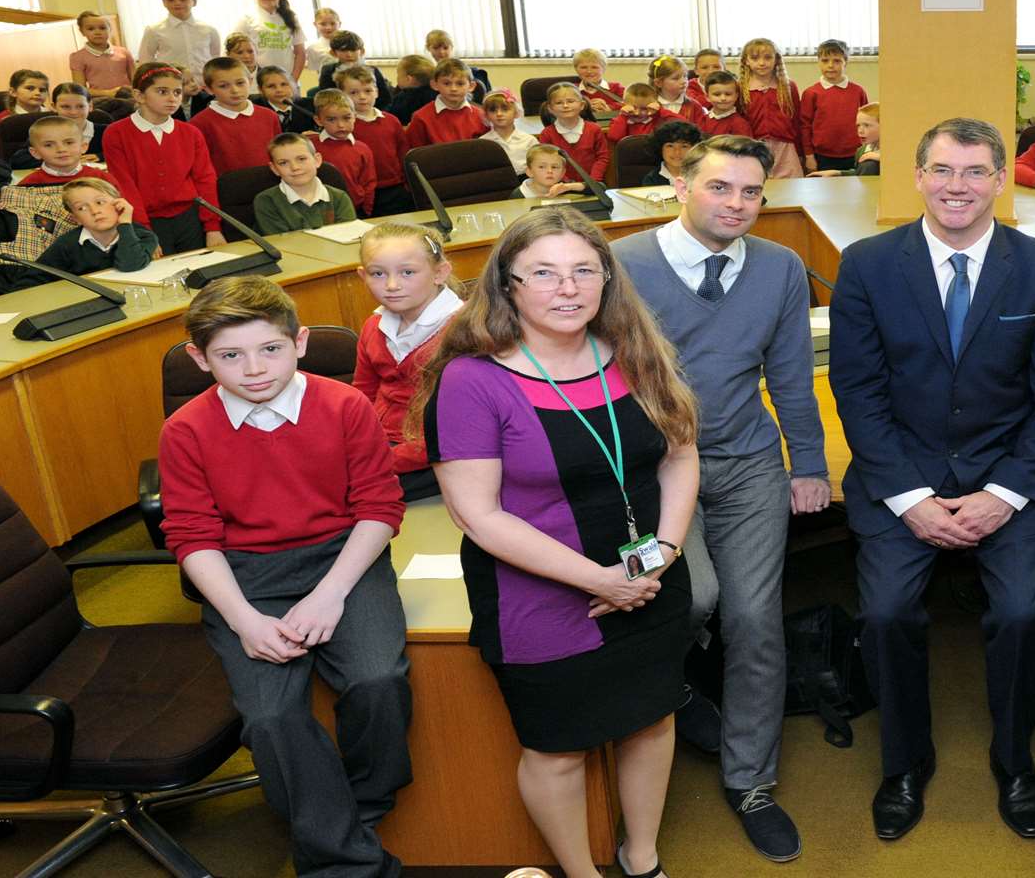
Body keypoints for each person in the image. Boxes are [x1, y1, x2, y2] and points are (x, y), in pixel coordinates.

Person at [421, 206, 699, 878]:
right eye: (542, 273)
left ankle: (642, 858)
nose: (567, 288)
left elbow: (681, 456)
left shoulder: (635, 351)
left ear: (606, 279)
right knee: (558, 748)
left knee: (652, 721)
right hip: (539, 595)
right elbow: (478, 516)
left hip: (650, 577)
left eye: (583, 271)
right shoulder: (471, 379)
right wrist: (598, 580)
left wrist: (662, 550)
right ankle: (581, 874)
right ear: (507, 285)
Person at [829, 117, 1035, 842]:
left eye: (975, 172)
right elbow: (858, 392)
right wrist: (909, 500)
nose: (957, 187)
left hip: (1010, 477)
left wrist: (1002, 496)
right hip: (899, 476)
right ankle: (905, 765)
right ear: (916, 176)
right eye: (942, 170)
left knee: (1022, 615)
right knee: (883, 615)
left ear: (1001, 180)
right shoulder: (868, 265)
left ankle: (1014, 761)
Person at [617, 134, 829, 862]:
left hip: (745, 465)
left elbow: (793, 378)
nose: (736, 204)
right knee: (694, 598)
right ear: (679, 187)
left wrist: (808, 465)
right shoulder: (622, 267)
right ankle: (673, 692)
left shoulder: (779, 268)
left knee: (754, 620)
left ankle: (751, 779)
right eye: (719, 188)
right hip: (649, 472)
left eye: (750, 192)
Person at [160, 275, 411, 878]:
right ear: (199, 359)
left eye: (269, 349)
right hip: (244, 575)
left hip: (342, 559)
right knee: (271, 718)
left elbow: (380, 508)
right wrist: (244, 620)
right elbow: (192, 537)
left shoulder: (345, 404)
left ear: (299, 342)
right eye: (229, 356)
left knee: (378, 680)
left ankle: (358, 809)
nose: (253, 369)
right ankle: (343, 860)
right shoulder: (186, 430)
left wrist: (330, 596)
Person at [353, 222, 462, 500]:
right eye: (378, 274)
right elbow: (363, 394)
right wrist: (354, 445)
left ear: (440, 273)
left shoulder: (462, 333)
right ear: (362, 275)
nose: (391, 285)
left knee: (357, 495)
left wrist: (380, 461)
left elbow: (456, 428)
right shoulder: (373, 325)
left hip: (438, 452)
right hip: (381, 444)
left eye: (407, 272)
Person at [101, 62, 226, 252]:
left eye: (177, 92)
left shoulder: (191, 132)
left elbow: (205, 179)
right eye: (162, 92)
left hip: (189, 218)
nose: (172, 98)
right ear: (139, 96)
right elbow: (124, 185)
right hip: (147, 220)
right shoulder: (116, 133)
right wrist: (143, 231)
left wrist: (212, 227)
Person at [27, 177, 158, 281]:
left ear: (119, 204)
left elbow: (130, 265)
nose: (94, 211)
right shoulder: (67, 245)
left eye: (100, 202)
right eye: (81, 208)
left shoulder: (142, 235)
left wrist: (125, 224)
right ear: (75, 218)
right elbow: (32, 279)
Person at [337, 64, 413, 217]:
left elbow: (403, 152)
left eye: (368, 91)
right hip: (364, 192)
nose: (362, 97)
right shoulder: (342, 127)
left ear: (377, 92)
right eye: (354, 92)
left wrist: (406, 184)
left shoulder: (391, 121)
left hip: (395, 188)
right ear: (342, 95)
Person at [194, 55, 283, 174]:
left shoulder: (269, 116)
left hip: (270, 184)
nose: (235, 90)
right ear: (209, 89)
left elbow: (279, 153)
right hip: (226, 188)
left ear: (250, 81)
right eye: (223, 86)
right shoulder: (199, 124)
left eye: (240, 83)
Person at [255, 132, 356, 234]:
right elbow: (281, 244)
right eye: (283, 163)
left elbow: (348, 236)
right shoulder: (267, 201)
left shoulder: (339, 198)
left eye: (301, 159)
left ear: (317, 160)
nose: (295, 167)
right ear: (274, 169)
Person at [799, 38, 870, 173]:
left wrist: (868, 149)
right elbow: (805, 126)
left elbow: (867, 123)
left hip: (854, 154)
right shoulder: (811, 93)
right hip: (822, 157)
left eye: (837, 61)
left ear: (845, 63)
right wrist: (809, 156)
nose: (830, 65)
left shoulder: (858, 91)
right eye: (825, 61)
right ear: (818, 62)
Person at [136, 0, 221, 92]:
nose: (177, 3)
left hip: (204, 88)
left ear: (194, 1)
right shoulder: (154, 30)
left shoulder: (209, 30)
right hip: (171, 89)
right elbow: (146, 61)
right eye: (170, 0)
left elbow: (215, 59)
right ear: (164, 3)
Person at [739, 38, 805, 179]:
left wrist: (801, 153)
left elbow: (797, 121)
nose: (762, 63)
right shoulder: (741, 88)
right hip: (754, 148)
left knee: (792, 189)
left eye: (768, 57)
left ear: (776, 60)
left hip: (785, 150)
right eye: (755, 58)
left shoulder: (788, 87)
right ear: (746, 61)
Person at [230, 0, 306, 93]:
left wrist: (292, 80)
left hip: (287, 82)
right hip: (257, 85)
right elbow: (232, 52)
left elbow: (300, 53)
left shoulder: (291, 18)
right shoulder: (247, 18)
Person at [311, 88, 378, 216]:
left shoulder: (362, 149)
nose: (341, 125)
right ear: (318, 120)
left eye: (346, 118)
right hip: (319, 210)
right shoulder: (310, 146)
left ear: (354, 117)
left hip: (356, 208)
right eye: (331, 120)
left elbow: (369, 183)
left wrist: (366, 210)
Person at [538, 83, 613, 183]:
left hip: (593, 186)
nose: (565, 106)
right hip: (561, 186)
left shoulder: (594, 129)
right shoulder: (547, 134)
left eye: (570, 101)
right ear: (550, 109)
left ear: (582, 105)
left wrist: (593, 181)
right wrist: (567, 183)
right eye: (559, 103)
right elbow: (548, 163)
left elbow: (602, 157)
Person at [406, 58, 486, 148]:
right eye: (446, 83)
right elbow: (414, 154)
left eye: (460, 84)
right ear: (434, 85)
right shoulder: (421, 118)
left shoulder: (481, 116)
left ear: (471, 86)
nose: (453, 89)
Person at [317, 31, 394, 105]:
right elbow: (326, 99)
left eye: (353, 50)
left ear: (362, 51)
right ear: (333, 53)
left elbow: (385, 100)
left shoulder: (373, 70)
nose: (349, 54)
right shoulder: (328, 70)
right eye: (343, 50)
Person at [69, 10, 134, 94]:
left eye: (102, 28)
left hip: (129, 97)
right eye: (91, 29)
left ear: (110, 29)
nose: (97, 32)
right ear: (82, 31)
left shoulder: (123, 52)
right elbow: (80, 89)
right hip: (101, 100)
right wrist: (108, 93)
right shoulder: (77, 57)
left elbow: (135, 80)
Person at [608, 84, 683, 150]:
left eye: (644, 109)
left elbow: (683, 122)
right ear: (624, 105)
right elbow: (614, 137)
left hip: (654, 160)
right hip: (629, 161)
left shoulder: (657, 119)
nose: (637, 113)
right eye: (633, 107)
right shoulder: (621, 120)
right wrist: (623, 117)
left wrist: (660, 110)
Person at [425, 29, 491, 102]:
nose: (441, 52)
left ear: (451, 47)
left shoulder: (476, 74)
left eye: (445, 48)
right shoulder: (429, 76)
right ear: (428, 48)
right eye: (436, 48)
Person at [49, 83, 108, 162]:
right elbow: (28, 159)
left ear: (90, 106)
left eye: (80, 106)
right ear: (54, 107)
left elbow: (122, 152)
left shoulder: (106, 131)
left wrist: (101, 156)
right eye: (65, 107)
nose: (73, 112)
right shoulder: (43, 132)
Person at [483, 90, 535, 176]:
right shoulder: (483, 142)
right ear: (486, 115)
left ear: (516, 112)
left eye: (505, 109)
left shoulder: (529, 140)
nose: (499, 114)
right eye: (493, 110)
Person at [691, 70, 753, 138]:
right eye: (717, 94)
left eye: (728, 94)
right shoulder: (702, 120)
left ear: (736, 96)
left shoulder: (740, 124)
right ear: (707, 97)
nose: (723, 98)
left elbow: (746, 147)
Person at [257, 65, 317, 134]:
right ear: (260, 90)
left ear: (293, 85)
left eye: (284, 84)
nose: (279, 90)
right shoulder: (256, 110)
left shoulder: (311, 105)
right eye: (271, 86)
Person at [514, 143, 586, 200]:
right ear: (529, 172)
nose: (549, 171)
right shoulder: (519, 194)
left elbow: (596, 188)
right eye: (542, 167)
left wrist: (570, 187)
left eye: (554, 167)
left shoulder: (565, 188)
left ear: (563, 173)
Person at [643, 119, 703, 187]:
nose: (677, 152)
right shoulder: (652, 180)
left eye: (684, 146)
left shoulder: (703, 175)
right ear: (660, 148)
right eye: (670, 146)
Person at [573, 48, 625, 119]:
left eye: (594, 67)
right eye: (583, 67)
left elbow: (632, 104)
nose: (589, 71)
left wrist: (609, 107)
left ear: (603, 68)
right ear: (576, 69)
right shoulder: (571, 90)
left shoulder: (617, 88)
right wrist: (586, 107)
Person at [0, 69, 48, 134]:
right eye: (30, 88)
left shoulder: (53, 115)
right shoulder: (4, 120)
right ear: (13, 92)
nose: (38, 93)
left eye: (42, 90)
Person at [386, 55, 436, 124]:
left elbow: (390, 117)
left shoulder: (403, 98)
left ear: (409, 79)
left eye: (398, 74)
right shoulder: (436, 94)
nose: (397, 78)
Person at [305, 7, 341, 80]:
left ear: (339, 24)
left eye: (333, 23)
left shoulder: (349, 42)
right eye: (323, 24)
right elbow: (316, 70)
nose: (328, 27)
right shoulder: (312, 48)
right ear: (315, 25)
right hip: (327, 85)